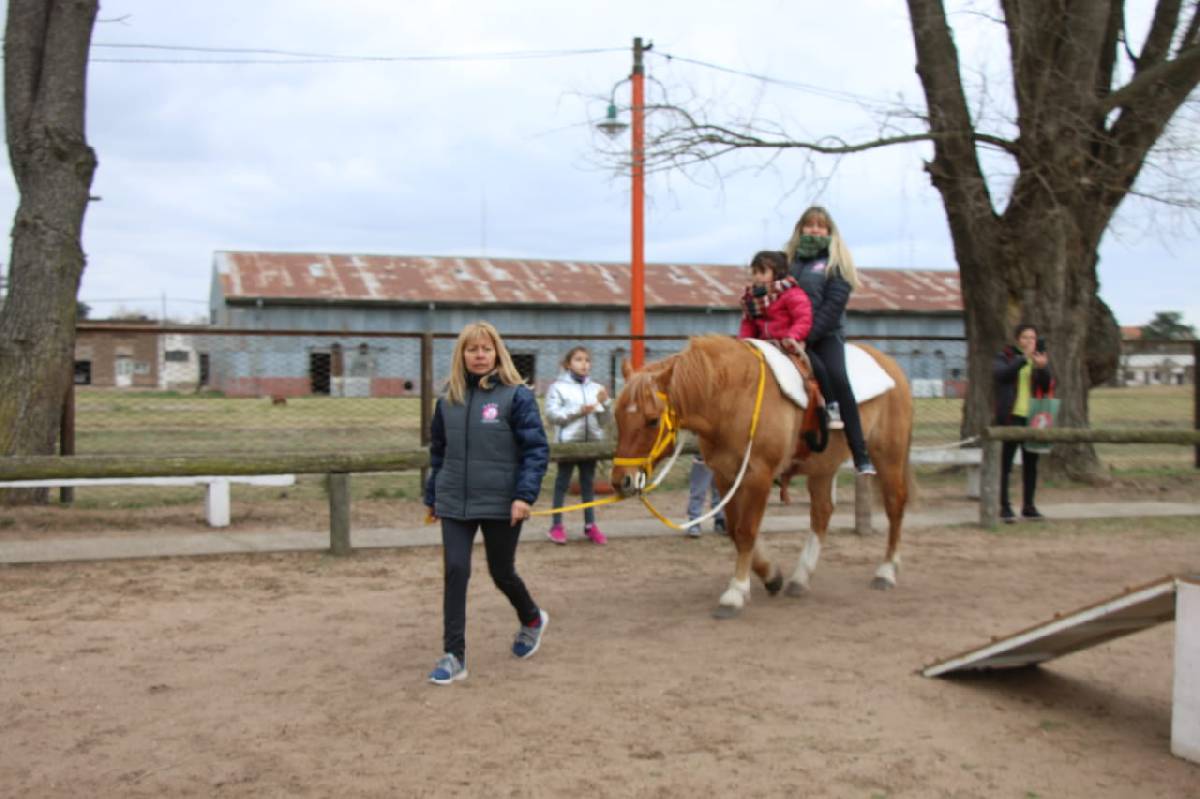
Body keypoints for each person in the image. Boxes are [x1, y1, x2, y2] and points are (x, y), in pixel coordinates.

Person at [423, 321, 550, 685]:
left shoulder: (517, 396)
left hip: (502, 502)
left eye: (485, 349)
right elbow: (439, 451)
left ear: (497, 352)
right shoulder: (448, 399)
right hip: (454, 502)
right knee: (456, 571)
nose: (479, 355)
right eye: (471, 349)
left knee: (501, 572)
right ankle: (454, 655)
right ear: (461, 354)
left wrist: (524, 496)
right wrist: (434, 495)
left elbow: (536, 449)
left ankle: (531, 618)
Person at [786, 205, 874, 474]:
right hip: (789, 336)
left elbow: (832, 306)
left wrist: (807, 336)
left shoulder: (836, 265)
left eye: (820, 226)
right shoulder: (788, 263)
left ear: (829, 231)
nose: (814, 230)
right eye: (809, 225)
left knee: (837, 376)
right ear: (800, 229)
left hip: (824, 335)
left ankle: (860, 453)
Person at [543, 345, 611, 545]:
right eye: (579, 359)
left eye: (587, 360)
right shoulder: (557, 387)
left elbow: (604, 421)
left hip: (591, 445)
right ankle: (556, 526)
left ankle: (590, 526)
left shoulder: (597, 388)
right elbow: (552, 415)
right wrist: (578, 411)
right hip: (568, 445)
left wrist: (605, 403)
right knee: (562, 483)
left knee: (588, 484)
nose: (584, 364)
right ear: (568, 364)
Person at [993, 323, 1054, 523]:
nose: (1030, 341)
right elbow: (1002, 375)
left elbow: (1047, 386)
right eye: (1026, 337)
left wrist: (1043, 368)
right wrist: (1023, 359)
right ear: (1018, 339)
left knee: (1031, 464)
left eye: (1033, 338)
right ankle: (1004, 506)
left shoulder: (1038, 359)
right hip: (1012, 416)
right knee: (1007, 463)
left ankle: (1029, 505)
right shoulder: (1006, 356)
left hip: (1033, 417)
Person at [737, 249, 813, 351]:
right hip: (764, 345)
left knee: (818, 366)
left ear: (778, 273)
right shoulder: (751, 299)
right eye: (755, 272)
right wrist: (743, 342)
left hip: (789, 345)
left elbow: (803, 319)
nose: (757, 277)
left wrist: (792, 336)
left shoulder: (792, 293)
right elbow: (748, 324)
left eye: (763, 272)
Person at [685, 456, 727, 538]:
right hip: (702, 455)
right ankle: (694, 521)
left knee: (720, 488)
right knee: (698, 490)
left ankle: (720, 520)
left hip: (722, 453)